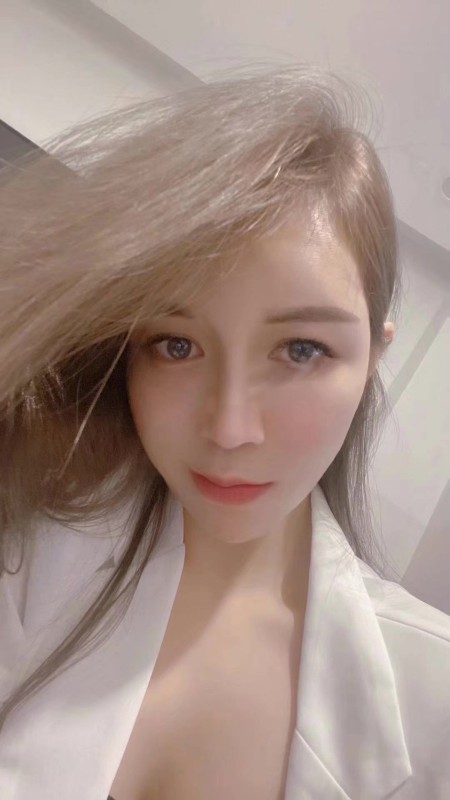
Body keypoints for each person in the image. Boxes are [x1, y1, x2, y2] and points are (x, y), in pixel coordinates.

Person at [0, 63, 449, 800]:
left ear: (374, 356)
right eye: (176, 346)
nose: (231, 428)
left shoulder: (435, 704)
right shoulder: (24, 548)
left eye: (301, 350)